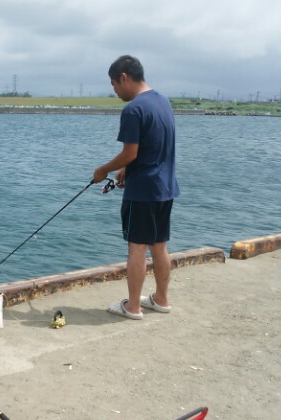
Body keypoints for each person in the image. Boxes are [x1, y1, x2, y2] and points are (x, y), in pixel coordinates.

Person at [92, 55, 178, 320]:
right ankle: (161, 300)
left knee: (137, 248)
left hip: (142, 192)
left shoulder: (133, 110)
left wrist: (103, 170)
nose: (114, 90)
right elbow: (151, 146)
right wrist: (127, 168)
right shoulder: (163, 102)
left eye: (114, 84)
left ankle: (133, 307)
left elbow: (130, 152)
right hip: (165, 187)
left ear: (124, 77)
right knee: (160, 246)